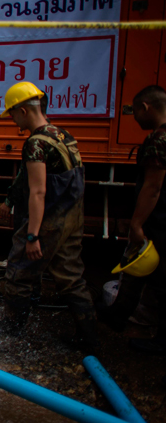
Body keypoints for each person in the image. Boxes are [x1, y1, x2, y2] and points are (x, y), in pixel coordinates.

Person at [0, 82, 97, 351]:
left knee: (19, 270)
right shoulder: (63, 135)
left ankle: (12, 324)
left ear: (23, 110)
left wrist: (33, 235)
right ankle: (89, 338)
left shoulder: (35, 143)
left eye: (12, 114)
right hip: (72, 217)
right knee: (71, 276)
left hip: (49, 220)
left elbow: (38, 192)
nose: (12, 120)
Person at [100, 85, 166, 354]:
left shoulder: (158, 140)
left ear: (146, 107)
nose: (135, 118)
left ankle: (158, 338)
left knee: (158, 278)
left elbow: (153, 187)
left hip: (160, 220)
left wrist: (137, 224)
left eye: (135, 112)